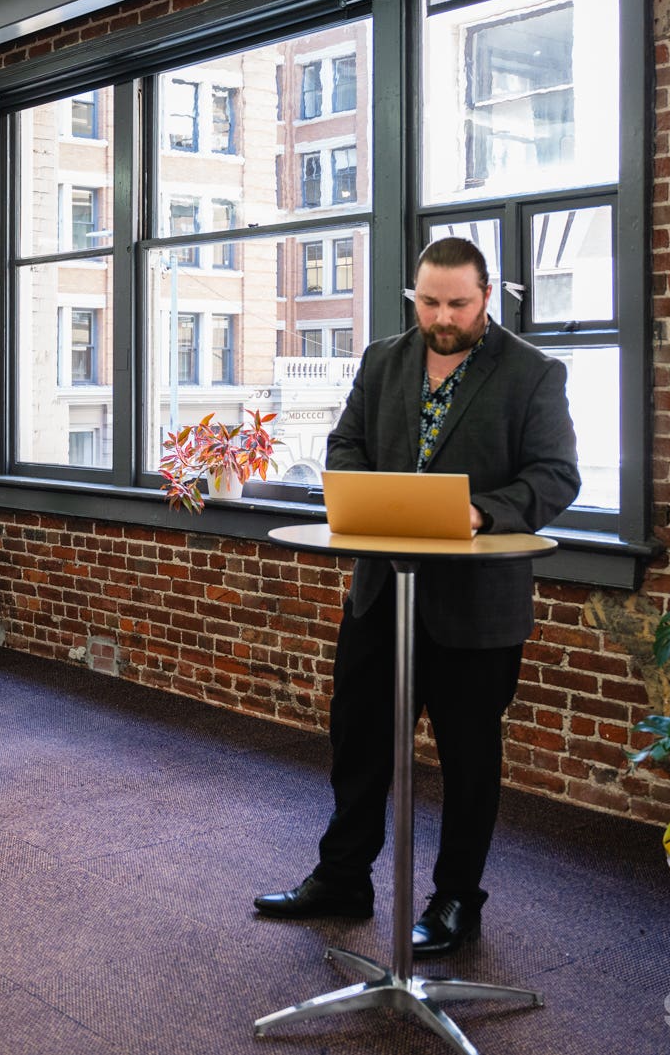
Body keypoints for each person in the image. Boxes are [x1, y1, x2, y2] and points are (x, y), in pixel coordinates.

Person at [253, 237, 580, 958]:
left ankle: (458, 899)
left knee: (468, 758)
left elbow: (557, 477)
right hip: (381, 590)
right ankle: (343, 877)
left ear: (486, 296)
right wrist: (362, 488)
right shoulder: (381, 360)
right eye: (429, 301)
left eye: (459, 303)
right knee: (359, 740)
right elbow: (345, 447)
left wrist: (482, 512)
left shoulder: (532, 373)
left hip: (476, 608)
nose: (442, 316)